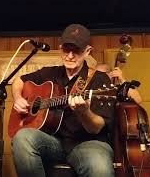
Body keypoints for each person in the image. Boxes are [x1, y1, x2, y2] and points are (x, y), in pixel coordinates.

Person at [11, 24, 115, 177]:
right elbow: (18, 81)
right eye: (67, 49)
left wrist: (84, 112)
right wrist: (18, 98)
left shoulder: (100, 81)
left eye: (77, 50)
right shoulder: (49, 73)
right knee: (22, 137)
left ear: (87, 51)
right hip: (53, 142)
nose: (70, 55)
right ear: (60, 48)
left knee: (98, 165)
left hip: (87, 143)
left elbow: (96, 128)